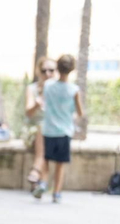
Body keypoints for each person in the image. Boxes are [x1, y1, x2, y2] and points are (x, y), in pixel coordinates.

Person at [37, 54, 84, 204]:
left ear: (57, 67)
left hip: (49, 129)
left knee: (46, 159)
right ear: (72, 69)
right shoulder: (74, 90)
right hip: (64, 131)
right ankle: (56, 193)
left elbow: (43, 103)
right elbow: (80, 112)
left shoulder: (48, 85)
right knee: (60, 164)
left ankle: (43, 182)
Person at [23, 56, 56, 192]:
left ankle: (38, 177)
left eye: (51, 70)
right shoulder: (32, 89)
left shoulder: (58, 90)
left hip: (54, 130)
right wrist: (37, 103)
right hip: (33, 130)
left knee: (46, 134)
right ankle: (40, 179)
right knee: (42, 130)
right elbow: (28, 113)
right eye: (44, 70)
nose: (47, 74)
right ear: (38, 72)